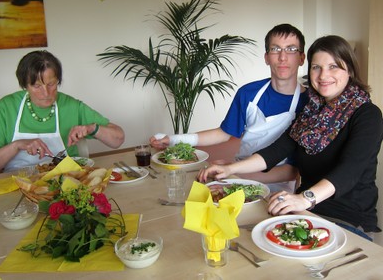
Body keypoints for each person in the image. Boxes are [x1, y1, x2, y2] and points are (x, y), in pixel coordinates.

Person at [198, 35, 383, 240]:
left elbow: (350, 171)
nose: (323, 75)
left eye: (333, 67)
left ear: (349, 69)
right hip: (305, 214)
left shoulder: (367, 114)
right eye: (316, 67)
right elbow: (275, 151)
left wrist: (304, 199)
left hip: (348, 221)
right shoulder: (310, 112)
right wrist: (230, 169)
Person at [150, 23, 308, 192]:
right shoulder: (248, 93)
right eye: (275, 49)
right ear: (266, 57)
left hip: (278, 188)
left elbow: (292, 172)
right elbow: (224, 133)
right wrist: (174, 139)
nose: (283, 57)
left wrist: (234, 172)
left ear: (301, 58)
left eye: (291, 49)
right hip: (237, 175)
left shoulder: (309, 104)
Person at [0, 50, 125, 175]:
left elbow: (118, 139)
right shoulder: (5, 108)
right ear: (25, 86)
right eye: (37, 86)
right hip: (16, 183)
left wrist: (92, 128)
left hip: (66, 180)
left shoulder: (71, 106)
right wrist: (16, 145)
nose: (46, 93)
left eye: (51, 84)